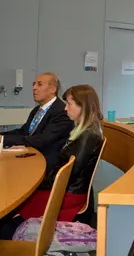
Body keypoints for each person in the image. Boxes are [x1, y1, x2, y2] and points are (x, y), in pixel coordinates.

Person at [0, 84, 104, 240]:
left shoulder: (88, 136)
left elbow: (67, 175)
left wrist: (37, 182)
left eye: (69, 104)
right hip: (64, 189)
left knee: (12, 206)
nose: (65, 108)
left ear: (83, 106)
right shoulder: (82, 131)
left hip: (67, 195)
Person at [0, 72, 73, 171]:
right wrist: (2, 136)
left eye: (39, 84)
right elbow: (24, 131)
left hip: (48, 167)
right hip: (32, 157)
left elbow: (41, 140)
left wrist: (4, 140)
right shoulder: (37, 110)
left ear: (53, 89)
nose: (34, 88)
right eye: (33, 84)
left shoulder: (62, 112)